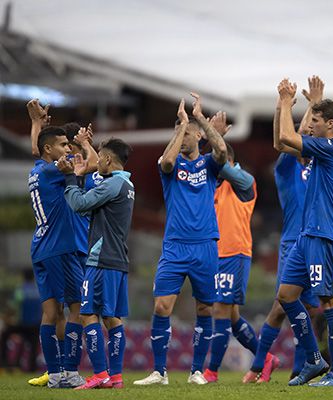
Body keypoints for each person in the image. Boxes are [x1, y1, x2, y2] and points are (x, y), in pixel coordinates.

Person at [133, 96, 228, 386]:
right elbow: (167, 161)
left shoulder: (209, 166)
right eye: (179, 133)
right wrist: (181, 126)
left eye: (187, 133)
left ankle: (196, 371)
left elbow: (222, 150)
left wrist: (198, 120)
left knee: (205, 308)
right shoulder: (170, 168)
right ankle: (159, 372)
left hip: (205, 245)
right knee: (162, 306)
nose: (183, 137)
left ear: (199, 135)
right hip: (175, 246)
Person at [244, 76, 322, 384]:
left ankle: (300, 367)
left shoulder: (319, 162)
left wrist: (311, 105)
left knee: (312, 310)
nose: (305, 135)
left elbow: (309, 132)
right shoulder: (287, 166)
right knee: (281, 307)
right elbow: (286, 137)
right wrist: (285, 104)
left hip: (318, 240)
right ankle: (259, 365)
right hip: (293, 242)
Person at [276, 78, 333, 387]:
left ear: (330, 125)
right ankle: (313, 360)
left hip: (325, 236)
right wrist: (313, 103)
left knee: (330, 301)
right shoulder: (324, 149)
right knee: (286, 295)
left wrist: (284, 102)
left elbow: (284, 136)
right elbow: (286, 144)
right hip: (306, 236)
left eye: (316, 122)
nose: (311, 126)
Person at [57, 137, 134, 389]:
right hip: (118, 259)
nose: (96, 161)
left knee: (88, 313)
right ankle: (117, 376)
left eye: (99, 157)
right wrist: (80, 178)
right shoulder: (127, 184)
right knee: (112, 318)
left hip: (100, 259)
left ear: (109, 160)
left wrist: (70, 178)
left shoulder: (112, 185)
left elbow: (79, 205)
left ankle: (101, 373)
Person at [27, 119, 86, 388]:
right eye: (63, 145)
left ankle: (54, 374)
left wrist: (36, 124)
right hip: (60, 248)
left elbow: (39, 148)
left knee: (50, 313)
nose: (67, 149)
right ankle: (71, 372)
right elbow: (92, 165)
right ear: (49, 149)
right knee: (77, 308)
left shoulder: (37, 170)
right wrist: (83, 143)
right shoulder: (54, 170)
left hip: (40, 246)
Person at [203, 143, 261, 383]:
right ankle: (265, 359)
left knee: (219, 310)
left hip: (234, 253)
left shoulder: (243, 181)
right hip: (215, 255)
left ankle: (212, 371)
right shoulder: (213, 185)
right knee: (232, 315)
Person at [0, 270, 41, 372]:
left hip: (21, 324)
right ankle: (32, 368)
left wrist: (8, 319)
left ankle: (5, 362)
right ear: (33, 277)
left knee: (5, 336)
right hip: (35, 324)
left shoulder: (20, 290)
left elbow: (13, 306)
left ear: (23, 277)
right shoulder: (38, 290)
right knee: (33, 345)